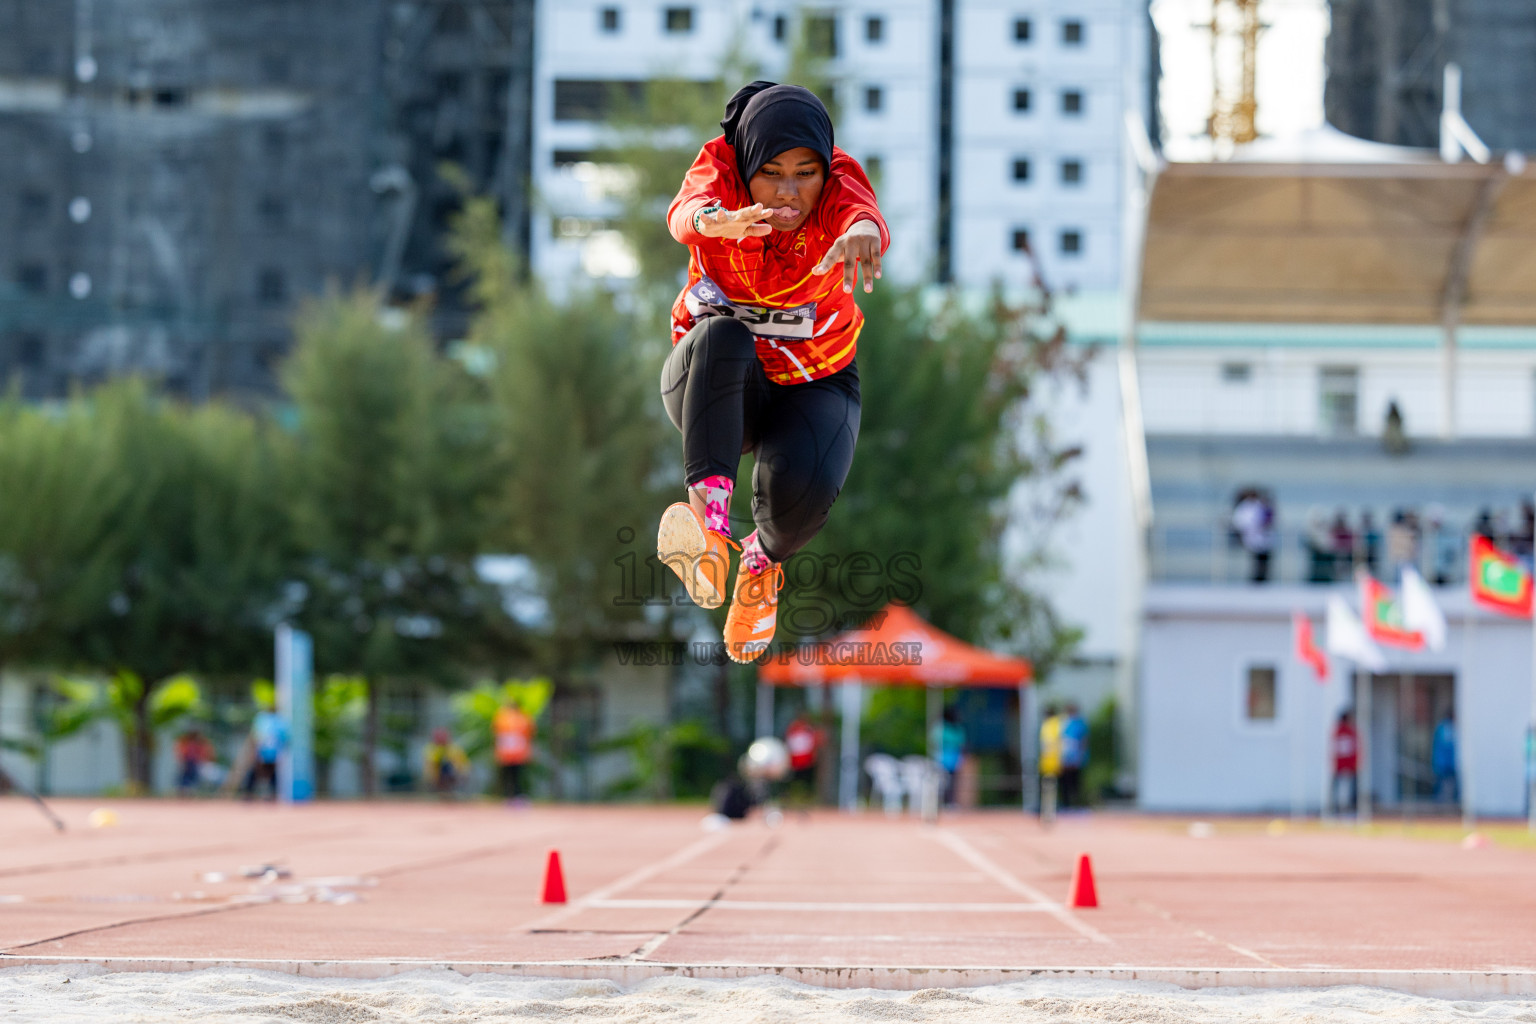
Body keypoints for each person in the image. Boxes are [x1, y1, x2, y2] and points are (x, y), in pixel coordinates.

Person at [654, 81, 889, 664]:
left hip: (816, 378)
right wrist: (714, 222)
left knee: (803, 497)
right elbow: (683, 211)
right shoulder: (720, 168)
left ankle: (757, 567)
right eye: (772, 173)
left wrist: (863, 229)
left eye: (804, 174)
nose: (789, 193)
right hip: (715, 381)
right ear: (746, 165)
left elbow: (860, 211)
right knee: (726, 333)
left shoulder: (837, 178)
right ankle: (709, 530)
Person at [242, 700, 287, 801]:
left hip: (267, 752)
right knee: (259, 772)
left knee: (263, 773)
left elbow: (257, 736)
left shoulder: (268, 720)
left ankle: (255, 794)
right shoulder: (270, 720)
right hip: (266, 751)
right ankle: (251, 793)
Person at [492, 701, 534, 802]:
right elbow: (499, 735)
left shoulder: (508, 718)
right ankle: (511, 796)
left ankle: (515, 795)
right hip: (511, 753)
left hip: (514, 753)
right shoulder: (505, 718)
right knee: (511, 775)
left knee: (514, 775)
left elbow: (527, 736)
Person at [1231, 489, 1274, 583]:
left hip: (1262, 537)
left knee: (1263, 559)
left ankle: (1262, 578)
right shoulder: (1244, 507)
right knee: (1253, 560)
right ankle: (1254, 579)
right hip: (1250, 536)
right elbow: (1239, 522)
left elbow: (1268, 519)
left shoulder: (1260, 505)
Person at [929, 707, 966, 807]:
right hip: (942, 759)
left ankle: (950, 803)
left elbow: (961, 742)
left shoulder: (956, 727)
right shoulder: (940, 728)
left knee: (952, 782)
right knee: (942, 783)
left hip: (953, 759)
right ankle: (941, 803)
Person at [423, 727, 470, 798]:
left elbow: (463, 765)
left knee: (449, 766)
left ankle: (451, 790)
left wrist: (462, 775)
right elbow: (430, 766)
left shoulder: (454, 749)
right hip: (437, 775)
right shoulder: (432, 749)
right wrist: (432, 777)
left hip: (452, 774)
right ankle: (440, 790)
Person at [784, 714, 821, 800]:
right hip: (795, 760)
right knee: (792, 779)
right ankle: (791, 794)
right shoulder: (793, 731)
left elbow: (813, 744)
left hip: (806, 760)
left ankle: (807, 795)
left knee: (807, 779)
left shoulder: (808, 731)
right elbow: (789, 745)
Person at [1059, 703, 1089, 809]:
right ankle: (1066, 803)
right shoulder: (1064, 723)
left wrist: (1080, 757)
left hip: (1075, 757)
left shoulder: (1079, 724)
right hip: (1065, 757)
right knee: (1065, 782)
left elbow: (1083, 741)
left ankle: (1076, 803)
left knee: (1075, 782)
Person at [1038, 704, 1063, 819]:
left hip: (1050, 762)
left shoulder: (1049, 725)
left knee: (1048, 788)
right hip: (1054, 761)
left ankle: (1048, 811)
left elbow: (1049, 745)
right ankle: (1049, 811)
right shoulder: (1057, 724)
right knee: (1051, 788)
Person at [1331, 709, 1358, 814]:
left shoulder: (1349, 731)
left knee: (1346, 788)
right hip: (1342, 765)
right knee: (1343, 788)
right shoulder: (1342, 732)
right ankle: (1342, 808)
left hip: (1347, 765)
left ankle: (1344, 807)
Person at [174, 729, 214, 798]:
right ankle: (185, 792)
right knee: (187, 777)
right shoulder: (187, 742)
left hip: (193, 762)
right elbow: (182, 752)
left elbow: (203, 752)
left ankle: (187, 792)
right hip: (189, 762)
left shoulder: (195, 743)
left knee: (189, 777)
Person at [1432, 708, 1458, 803]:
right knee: (1444, 789)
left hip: (1445, 764)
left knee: (1447, 788)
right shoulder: (1446, 728)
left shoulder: (1445, 727)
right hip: (1445, 765)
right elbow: (1446, 746)